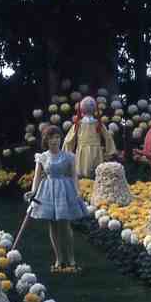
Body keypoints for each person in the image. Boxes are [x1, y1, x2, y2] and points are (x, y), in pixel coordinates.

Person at [27, 125, 87, 272]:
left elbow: (73, 175)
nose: (55, 140)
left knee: (65, 225)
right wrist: (33, 192)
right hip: (48, 190)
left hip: (63, 190)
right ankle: (59, 258)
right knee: (52, 225)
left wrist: (77, 190)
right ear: (46, 140)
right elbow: (37, 176)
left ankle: (71, 258)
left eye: (57, 137)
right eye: (51, 138)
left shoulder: (68, 156)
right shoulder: (42, 157)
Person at [63, 96, 117, 179]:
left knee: (83, 175)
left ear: (81, 109)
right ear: (94, 109)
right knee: (96, 175)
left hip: (83, 152)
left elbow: (68, 140)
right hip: (95, 152)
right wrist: (109, 151)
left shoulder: (78, 124)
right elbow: (108, 137)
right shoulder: (97, 124)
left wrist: (67, 152)